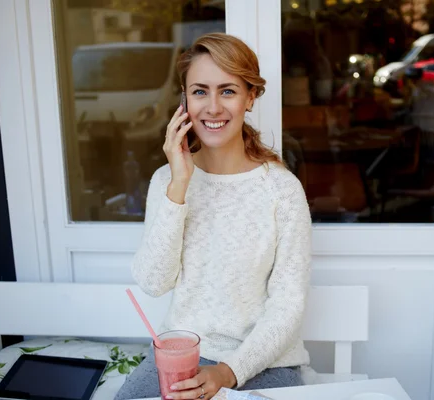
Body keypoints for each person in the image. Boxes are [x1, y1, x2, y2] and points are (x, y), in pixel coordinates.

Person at [115, 33, 311, 400]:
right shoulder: (167, 181)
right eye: (200, 91)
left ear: (250, 97)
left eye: (228, 91)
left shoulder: (282, 190)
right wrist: (179, 186)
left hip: (264, 363)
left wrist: (227, 371)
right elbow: (154, 282)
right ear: (184, 100)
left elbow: (288, 306)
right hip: (183, 356)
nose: (213, 107)